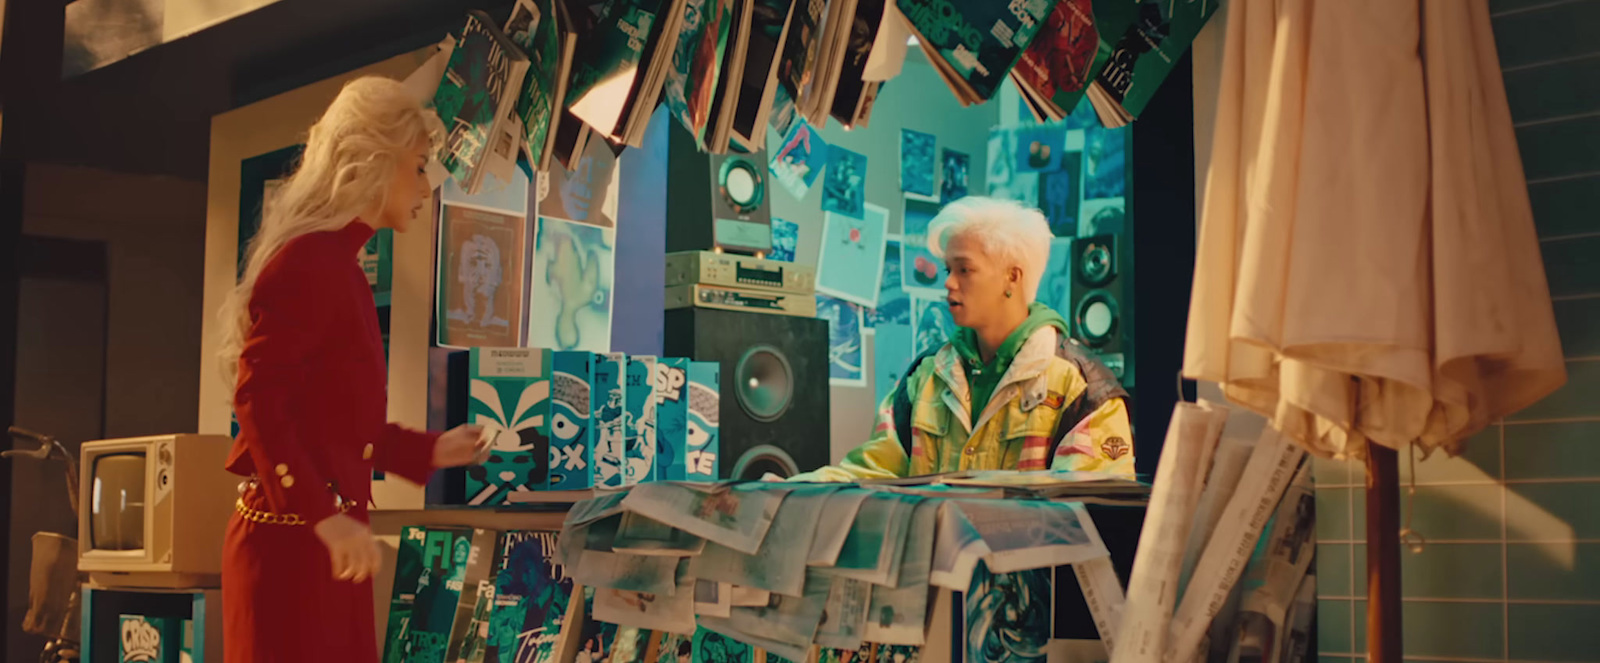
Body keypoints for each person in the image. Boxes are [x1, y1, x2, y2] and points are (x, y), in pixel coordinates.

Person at [215, 76, 488, 662]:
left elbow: (337, 430)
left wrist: (433, 452)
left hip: (320, 543)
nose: (425, 185)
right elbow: (258, 400)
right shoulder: (310, 263)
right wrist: (324, 519)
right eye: (417, 167)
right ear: (374, 165)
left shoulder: (338, 264)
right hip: (295, 546)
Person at [793, 196, 1133, 481]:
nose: (948, 283)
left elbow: (1092, 517)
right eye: (947, 270)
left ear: (1011, 277)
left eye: (964, 269)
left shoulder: (1084, 391)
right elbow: (868, 475)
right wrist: (788, 490)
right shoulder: (923, 378)